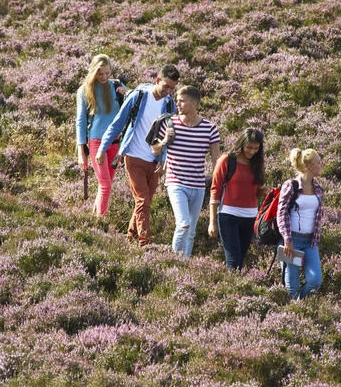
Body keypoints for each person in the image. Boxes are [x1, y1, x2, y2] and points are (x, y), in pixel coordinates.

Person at [96, 64, 180, 246]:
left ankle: (130, 238)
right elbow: (118, 123)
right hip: (134, 156)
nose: (168, 91)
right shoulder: (139, 96)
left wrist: (164, 160)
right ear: (157, 80)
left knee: (145, 202)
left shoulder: (170, 104)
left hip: (154, 161)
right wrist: (103, 147)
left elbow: (170, 136)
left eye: (172, 88)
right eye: (166, 86)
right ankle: (145, 243)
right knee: (142, 200)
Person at [152, 85, 220, 257]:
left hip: (197, 185)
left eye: (182, 101)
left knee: (191, 230)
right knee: (183, 223)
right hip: (176, 182)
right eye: (177, 101)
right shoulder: (169, 123)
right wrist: (166, 140)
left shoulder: (209, 128)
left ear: (194, 103)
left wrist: (219, 182)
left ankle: (185, 264)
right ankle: (173, 261)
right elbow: (155, 150)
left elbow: (216, 159)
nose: (178, 104)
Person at [208, 128, 268, 271]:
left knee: (240, 260)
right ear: (242, 143)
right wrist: (212, 223)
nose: (252, 151)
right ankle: (230, 290)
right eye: (249, 147)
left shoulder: (256, 163)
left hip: (250, 216)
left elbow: (253, 192)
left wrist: (264, 192)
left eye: (256, 148)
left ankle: (236, 290)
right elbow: (215, 190)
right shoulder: (226, 160)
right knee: (233, 259)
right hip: (228, 215)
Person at [76, 54, 127, 216]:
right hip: (96, 142)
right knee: (105, 185)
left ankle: (95, 218)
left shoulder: (117, 86)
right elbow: (81, 121)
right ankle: (101, 222)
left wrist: (127, 93)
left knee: (106, 184)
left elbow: (134, 105)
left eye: (107, 73)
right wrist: (80, 151)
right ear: (93, 72)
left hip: (116, 142)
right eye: (100, 74)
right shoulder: (84, 90)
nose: (105, 77)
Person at [277, 148, 324, 299]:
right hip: (292, 242)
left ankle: (299, 306)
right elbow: (281, 213)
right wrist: (287, 239)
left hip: (310, 242)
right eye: (319, 162)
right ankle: (292, 315)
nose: (321, 165)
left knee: (315, 281)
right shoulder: (291, 186)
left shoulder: (318, 188)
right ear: (310, 166)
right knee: (292, 287)